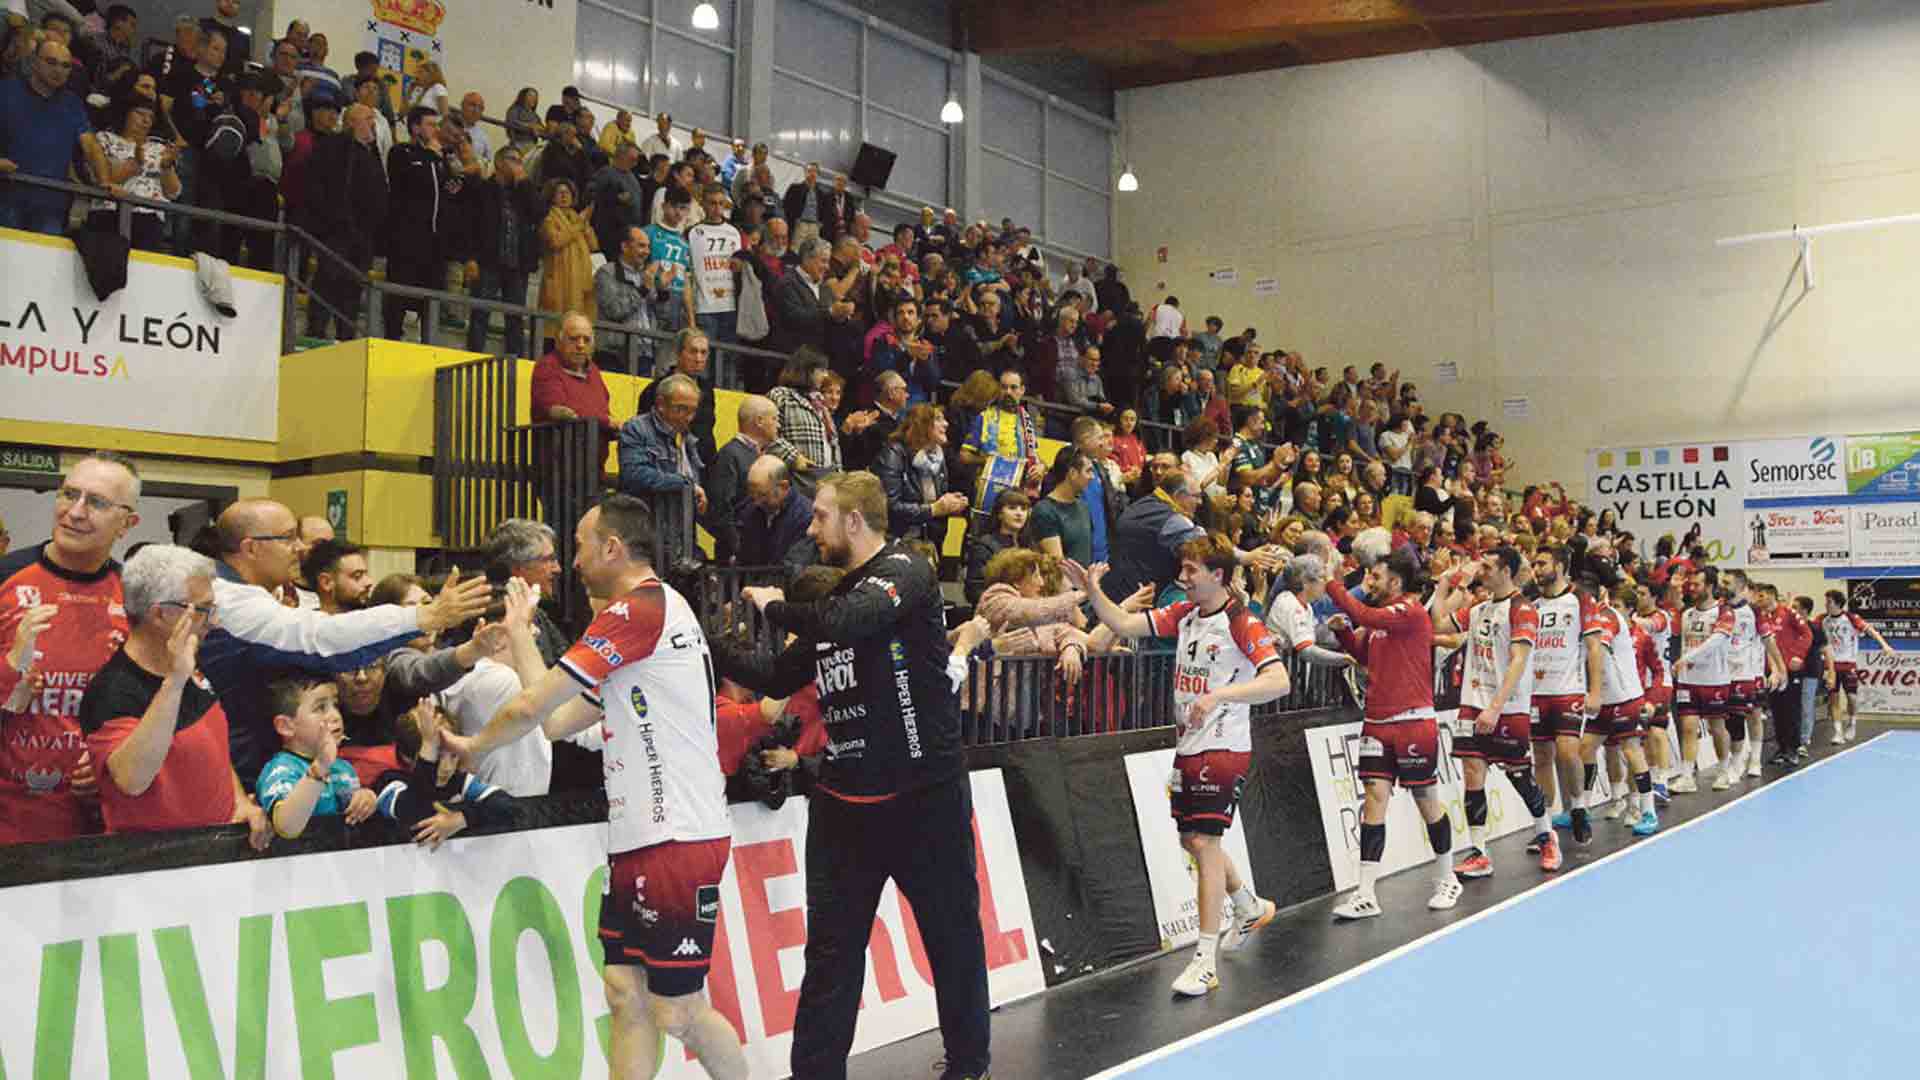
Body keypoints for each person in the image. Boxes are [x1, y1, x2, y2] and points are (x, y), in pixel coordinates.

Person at [445, 495, 746, 1079]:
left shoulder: (639, 610)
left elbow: (529, 709)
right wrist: (521, 632)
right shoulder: (639, 626)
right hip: (638, 836)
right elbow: (556, 721)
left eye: (580, 546)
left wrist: (473, 747)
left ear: (612, 547)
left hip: (678, 836)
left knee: (678, 1011)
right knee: (624, 993)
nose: (575, 561)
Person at [724, 472, 990, 1080]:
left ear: (853, 520)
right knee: (830, 954)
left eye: (819, 516)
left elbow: (852, 618)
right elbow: (774, 675)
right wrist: (703, 637)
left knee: (950, 938)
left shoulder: (906, 571)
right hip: (844, 804)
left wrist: (775, 606)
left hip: (923, 798)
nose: (810, 528)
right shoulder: (832, 606)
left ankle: (969, 1065)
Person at [1075, 534, 1289, 995]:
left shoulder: (1242, 621)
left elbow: (1279, 680)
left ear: (1219, 575)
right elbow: (1124, 624)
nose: (1183, 576)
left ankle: (1204, 962)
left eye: (1192, 570)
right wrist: (1093, 591)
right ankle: (1248, 906)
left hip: (1224, 746)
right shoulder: (1186, 614)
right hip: (1189, 744)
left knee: (1206, 844)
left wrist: (1220, 695)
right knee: (1191, 840)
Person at [196, 499, 491, 786]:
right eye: (287, 538)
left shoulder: (242, 593)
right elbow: (325, 639)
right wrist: (423, 616)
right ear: (251, 548)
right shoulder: (231, 600)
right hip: (235, 771)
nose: (300, 548)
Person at [77, 544, 270, 846]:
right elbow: (132, 780)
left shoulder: (190, 664)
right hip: (156, 859)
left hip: (214, 852)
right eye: (203, 610)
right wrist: (175, 682)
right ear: (160, 614)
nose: (214, 621)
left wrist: (239, 800)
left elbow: (213, 750)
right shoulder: (113, 691)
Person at [0, 452, 141, 844]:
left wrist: (112, 762)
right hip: (11, 823)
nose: (75, 512)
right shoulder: (7, 578)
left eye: (96, 502)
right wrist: (9, 670)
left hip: (101, 825)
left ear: (127, 524)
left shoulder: (136, 598)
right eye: (68, 494)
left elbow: (156, 708)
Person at [1326, 551, 1459, 918]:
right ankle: (1366, 894)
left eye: (1375, 576)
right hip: (1377, 722)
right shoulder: (1380, 621)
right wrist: (1342, 633)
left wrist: (1331, 584)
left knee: (1426, 800)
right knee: (1373, 799)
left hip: (1413, 721)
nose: (1369, 582)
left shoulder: (1409, 612)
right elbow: (1366, 657)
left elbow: (1364, 615)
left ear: (1395, 582)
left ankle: (1447, 878)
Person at [1523, 545, 1605, 849]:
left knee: (1569, 753)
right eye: (1534, 564)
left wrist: (1595, 691)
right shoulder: (1531, 605)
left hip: (1568, 690)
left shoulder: (1581, 599)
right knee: (1542, 758)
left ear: (1559, 566)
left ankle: (1579, 807)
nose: (1536, 569)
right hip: (1536, 693)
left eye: (1542, 563)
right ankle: (1545, 828)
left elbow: (1594, 648)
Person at [2, 38, 109, 234]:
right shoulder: (6, 91)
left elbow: (91, 146)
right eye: (51, 62)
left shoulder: (73, 104)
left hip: (51, 206)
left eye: (65, 66)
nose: (58, 70)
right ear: (34, 62)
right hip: (6, 196)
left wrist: (105, 181)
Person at [254, 675, 375, 837]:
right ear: (286, 726)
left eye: (335, 705)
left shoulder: (344, 768)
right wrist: (319, 768)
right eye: (320, 708)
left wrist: (365, 800)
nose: (336, 716)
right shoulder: (281, 769)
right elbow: (287, 826)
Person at [383, 105, 452, 341]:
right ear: (415, 127)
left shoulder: (439, 159)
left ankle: (428, 343)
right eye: (430, 124)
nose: (435, 130)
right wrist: (430, 156)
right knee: (399, 294)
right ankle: (392, 339)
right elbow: (405, 181)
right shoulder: (401, 152)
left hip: (434, 242)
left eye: (436, 125)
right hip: (406, 238)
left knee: (431, 297)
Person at [466, 144, 541, 354]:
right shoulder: (483, 189)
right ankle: (473, 356)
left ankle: (515, 359)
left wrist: (524, 182)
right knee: (480, 313)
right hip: (488, 260)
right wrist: (471, 257)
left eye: (520, 161)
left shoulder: (523, 190)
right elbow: (471, 226)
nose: (519, 165)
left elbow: (538, 213)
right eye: (513, 160)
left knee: (515, 317)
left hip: (517, 264)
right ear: (499, 162)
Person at [85, 92, 179, 251]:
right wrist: (135, 163)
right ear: (125, 114)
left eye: (150, 117)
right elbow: (104, 180)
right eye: (140, 114)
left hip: (149, 220)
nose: (146, 120)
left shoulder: (159, 147)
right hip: (109, 214)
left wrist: (166, 167)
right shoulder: (105, 139)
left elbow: (173, 192)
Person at [1671, 567, 1735, 794]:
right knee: (1688, 727)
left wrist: (1687, 658)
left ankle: (1724, 770)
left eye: (1697, 584)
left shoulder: (1724, 612)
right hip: (1688, 681)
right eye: (1691, 584)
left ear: (1709, 586)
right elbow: (1684, 641)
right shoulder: (1687, 614)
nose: (1692, 588)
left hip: (1715, 681)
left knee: (1717, 728)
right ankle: (1687, 776)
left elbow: (1715, 641)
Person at [617, 372, 709, 517]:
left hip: (679, 522)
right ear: (661, 403)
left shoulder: (688, 437)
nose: (689, 417)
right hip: (645, 520)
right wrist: (684, 484)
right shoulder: (636, 428)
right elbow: (634, 474)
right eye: (682, 409)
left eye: (693, 411)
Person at [530, 312, 617, 465]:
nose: (581, 345)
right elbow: (564, 412)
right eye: (573, 339)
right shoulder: (547, 366)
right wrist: (607, 422)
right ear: (558, 342)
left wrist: (614, 428)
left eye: (586, 340)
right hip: (559, 470)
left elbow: (603, 412)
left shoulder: (593, 370)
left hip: (594, 468)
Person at [872, 403, 967, 544]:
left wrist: (950, 504)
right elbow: (889, 506)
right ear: (922, 425)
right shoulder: (895, 454)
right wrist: (933, 509)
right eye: (938, 419)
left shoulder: (938, 456)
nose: (946, 424)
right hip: (898, 539)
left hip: (929, 540)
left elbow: (934, 503)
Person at [1822, 588, 1890, 745]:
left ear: (1837, 603)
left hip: (1848, 664)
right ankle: (1838, 733)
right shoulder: (1823, 620)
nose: (1826, 604)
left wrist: (1884, 645)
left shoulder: (1851, 618)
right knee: (1834, 699)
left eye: (1829, 602)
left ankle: (1852, 722)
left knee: (1852, 698)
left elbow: (1871, 631)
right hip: (1831, 666)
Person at [688, 184, 743, 346]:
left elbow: (739, 268)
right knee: (704, 354)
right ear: (703, 204)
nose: (717, 208)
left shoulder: (734, 232)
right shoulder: (692, 232)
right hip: (704, 306)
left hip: (730, 305)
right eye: (712, 203)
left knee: (729, 356)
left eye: (721, 203)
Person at [537, 177, 597, 319]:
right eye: (560, 193)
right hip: (559, 280)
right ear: (552, 197)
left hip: (580, 280)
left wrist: (586, 226)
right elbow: (556, 241)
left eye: (567, 192)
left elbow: (594, 245)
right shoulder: (548, 218)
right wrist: (579, 224)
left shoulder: (577, 217)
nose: (564, 196)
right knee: (555, 323)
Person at [963, 490, 1030, 606]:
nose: (1019, 513)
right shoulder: (984, 545)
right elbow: (974, 590)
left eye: (1023, 509)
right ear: (999, 514)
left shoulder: (1028, 546)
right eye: (1012, 508)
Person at [1030, 449, 1096, 565]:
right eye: (1088, 471)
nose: (1092, 477)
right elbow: (1058, 563)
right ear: (1072, 473)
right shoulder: (1045, 511)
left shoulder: (1083, 507)